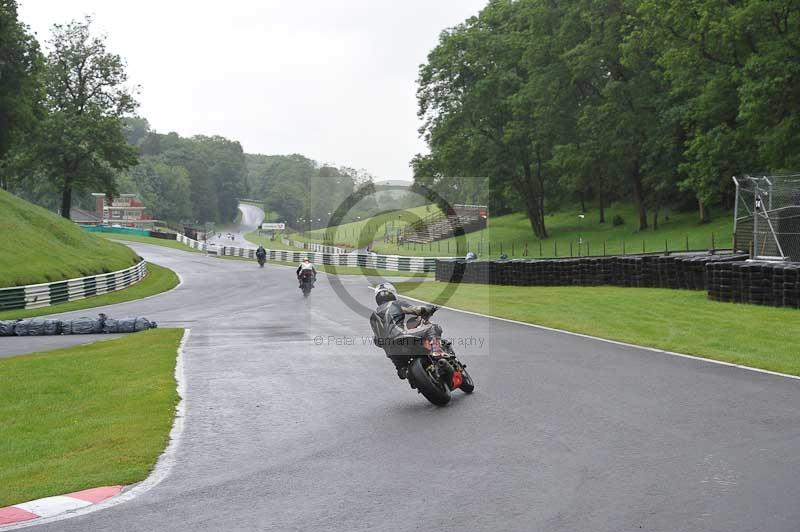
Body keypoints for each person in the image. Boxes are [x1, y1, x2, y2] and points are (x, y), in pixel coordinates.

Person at [369, 282, 440, 380]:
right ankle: (437, 350)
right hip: (402, 338)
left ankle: (403, 370)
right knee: (433, 328)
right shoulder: (396, 303)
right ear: (392, 293)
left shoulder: (373, 316)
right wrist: (430, 309)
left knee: (402, 372)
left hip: (391, 352)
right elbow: (417, 310)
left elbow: (376, 341)